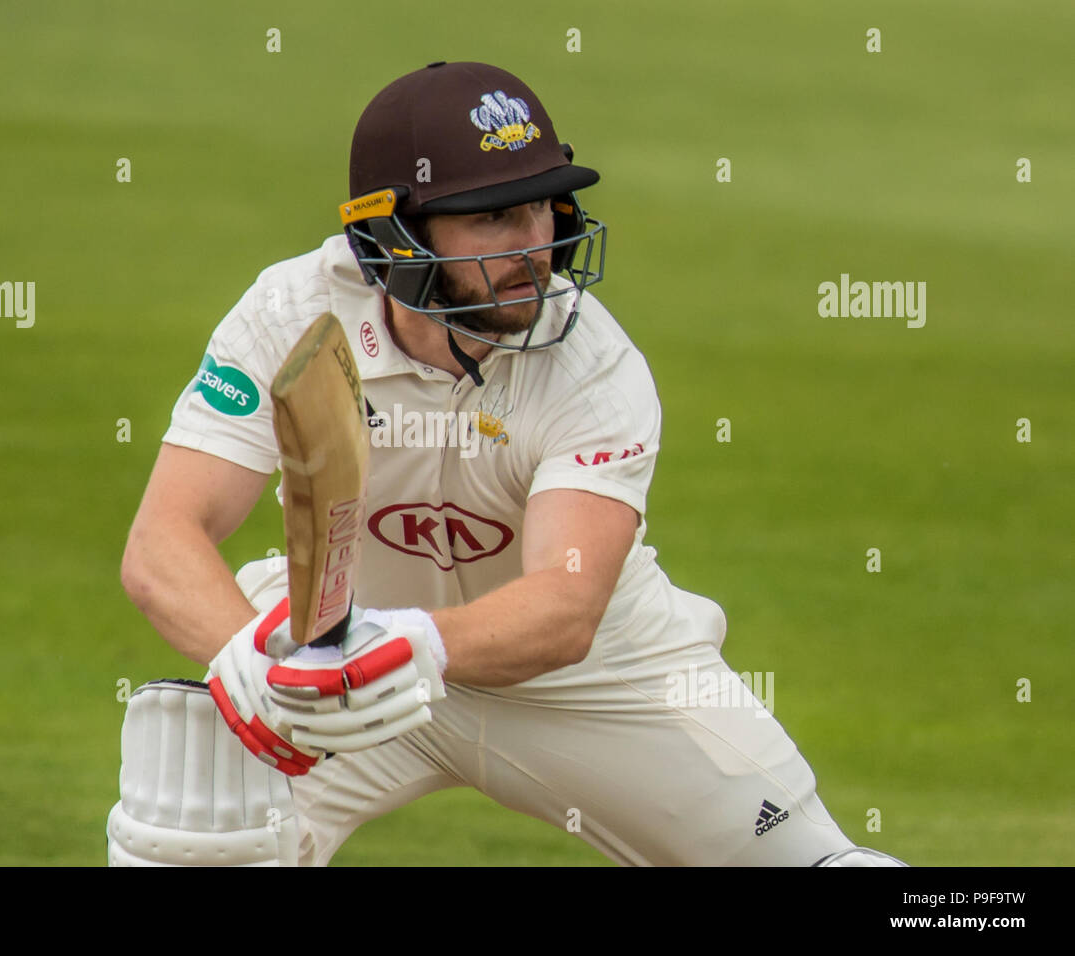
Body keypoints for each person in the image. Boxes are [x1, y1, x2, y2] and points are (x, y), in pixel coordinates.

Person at [107, 61, 904, 867]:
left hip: (590, 684)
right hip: (345, 662)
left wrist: (406, 646)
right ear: (395, 237)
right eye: (491, 219)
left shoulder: (594, 366)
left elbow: (565, 609)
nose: (535, 247)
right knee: (193, 822)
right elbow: (163, 541)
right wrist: (253, 655)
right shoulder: (291, 315)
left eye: (539, 209)